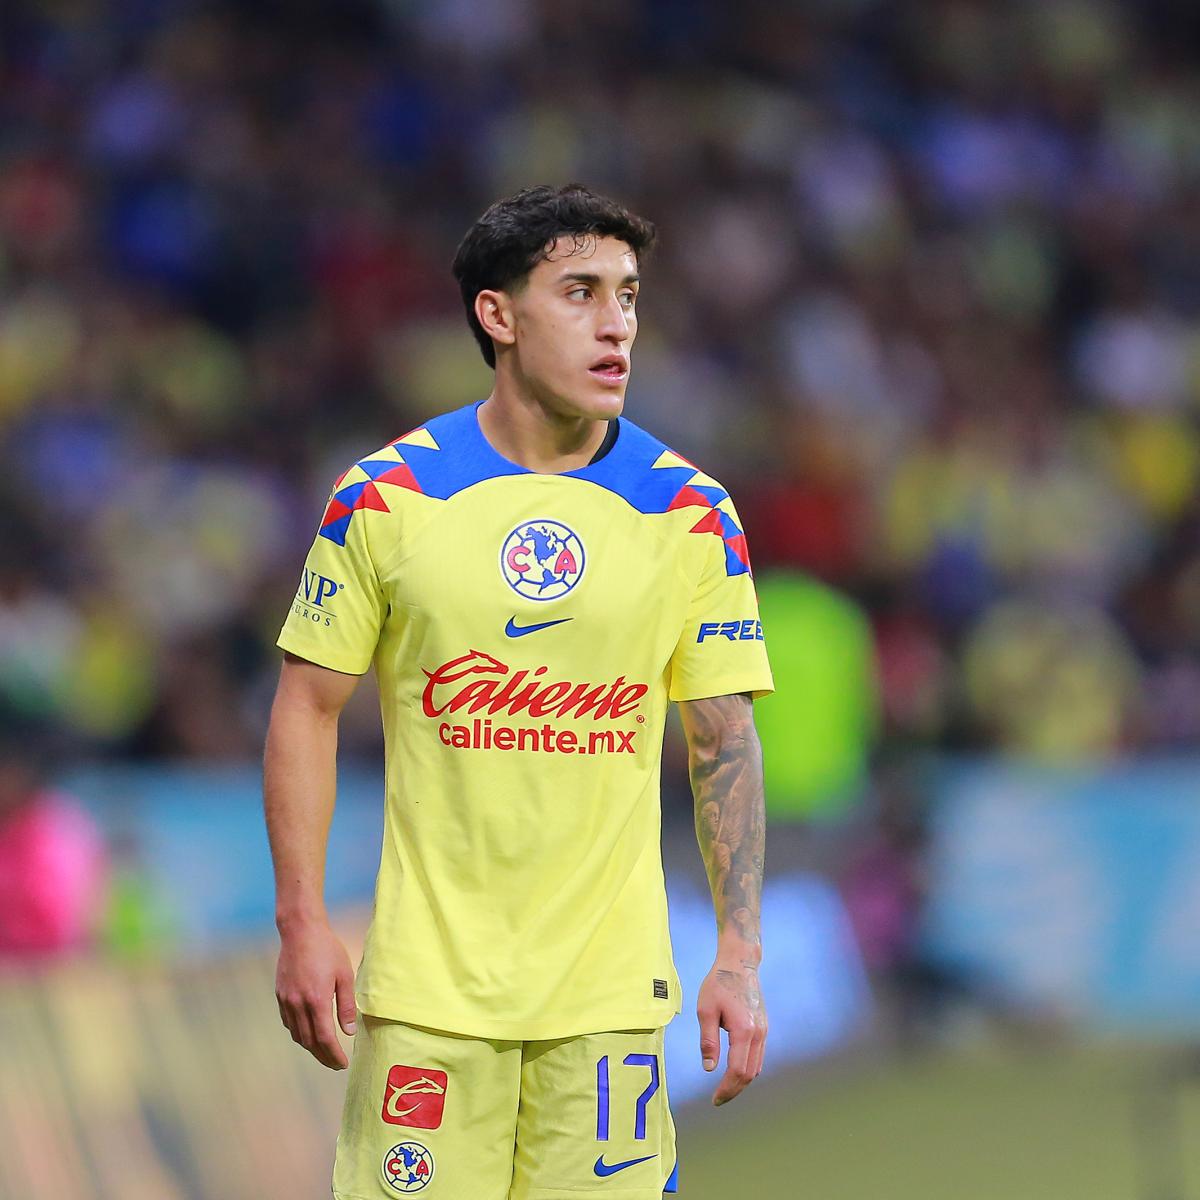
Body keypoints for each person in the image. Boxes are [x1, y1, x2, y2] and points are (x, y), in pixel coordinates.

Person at [264, 184, 773, 1200]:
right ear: (498, 316)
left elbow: (721, 740)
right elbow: (307, 708)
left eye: (628, 295)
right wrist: (303, 922)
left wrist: (741, 955)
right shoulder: (386, 496)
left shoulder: (689, 511)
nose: (616, 322)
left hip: (610, 999)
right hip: (428, 995)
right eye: (580, 292)